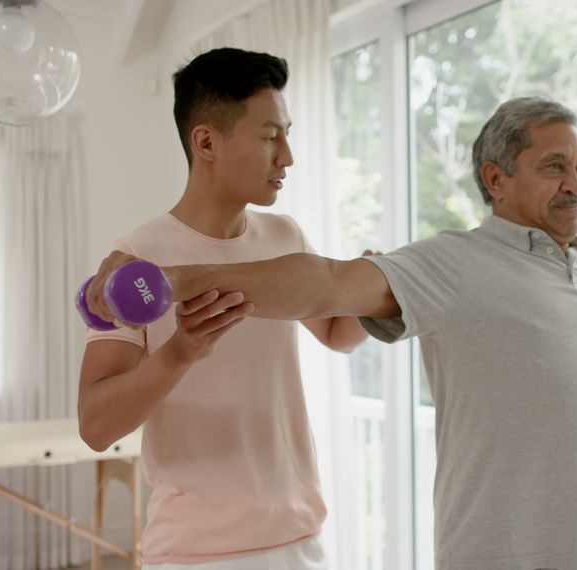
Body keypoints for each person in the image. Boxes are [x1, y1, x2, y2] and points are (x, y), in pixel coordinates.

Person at [86, 97, 577, 570]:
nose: (576, 183)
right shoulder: (457, 262)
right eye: (553, 166)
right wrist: (167, 283)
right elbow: (327, 282)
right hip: (499, 551)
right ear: (496, 179)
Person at [77, 47, 369, 569]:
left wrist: (368, 282)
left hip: (298, 537)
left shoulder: (285, 237)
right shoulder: (137, 262)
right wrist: (178, 354)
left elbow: (338, 333)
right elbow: (96, 426)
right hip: (195, 551)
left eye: (287, 133)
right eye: (269, 136)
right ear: (206, 141)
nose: (288, 156)